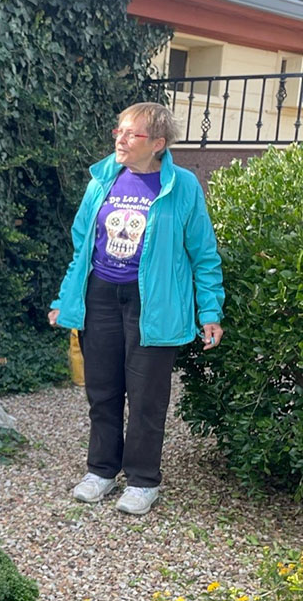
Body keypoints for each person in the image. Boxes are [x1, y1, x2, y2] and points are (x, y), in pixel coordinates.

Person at [48, 102, 224, 516]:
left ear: (158, 143)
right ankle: (101, 471)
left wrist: (210, 311)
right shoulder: (102, 179)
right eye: (119, 132)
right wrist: (65, 299)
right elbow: (81, 248)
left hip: (155, 305)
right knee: (102, 390)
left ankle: (144, 480)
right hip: (101, 297)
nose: (120, 140)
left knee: (147, 398)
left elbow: (203, 253)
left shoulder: (182, 186)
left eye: (132, 134)